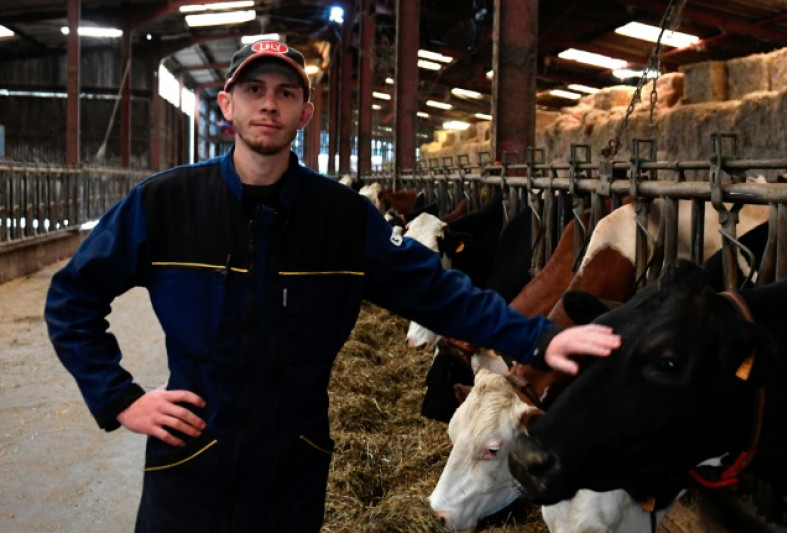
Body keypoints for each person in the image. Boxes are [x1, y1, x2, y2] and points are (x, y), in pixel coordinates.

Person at [45, 40, 620, 532]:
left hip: (293, 464)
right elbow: (72, 297)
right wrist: (120, 397)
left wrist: (538, 340)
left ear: (305, 113)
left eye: (285, 93)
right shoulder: (164, 203)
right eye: (253, 90)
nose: (268, 104)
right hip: (189, 459)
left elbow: (441, 296)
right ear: (227, 106)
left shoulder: (343, 219)